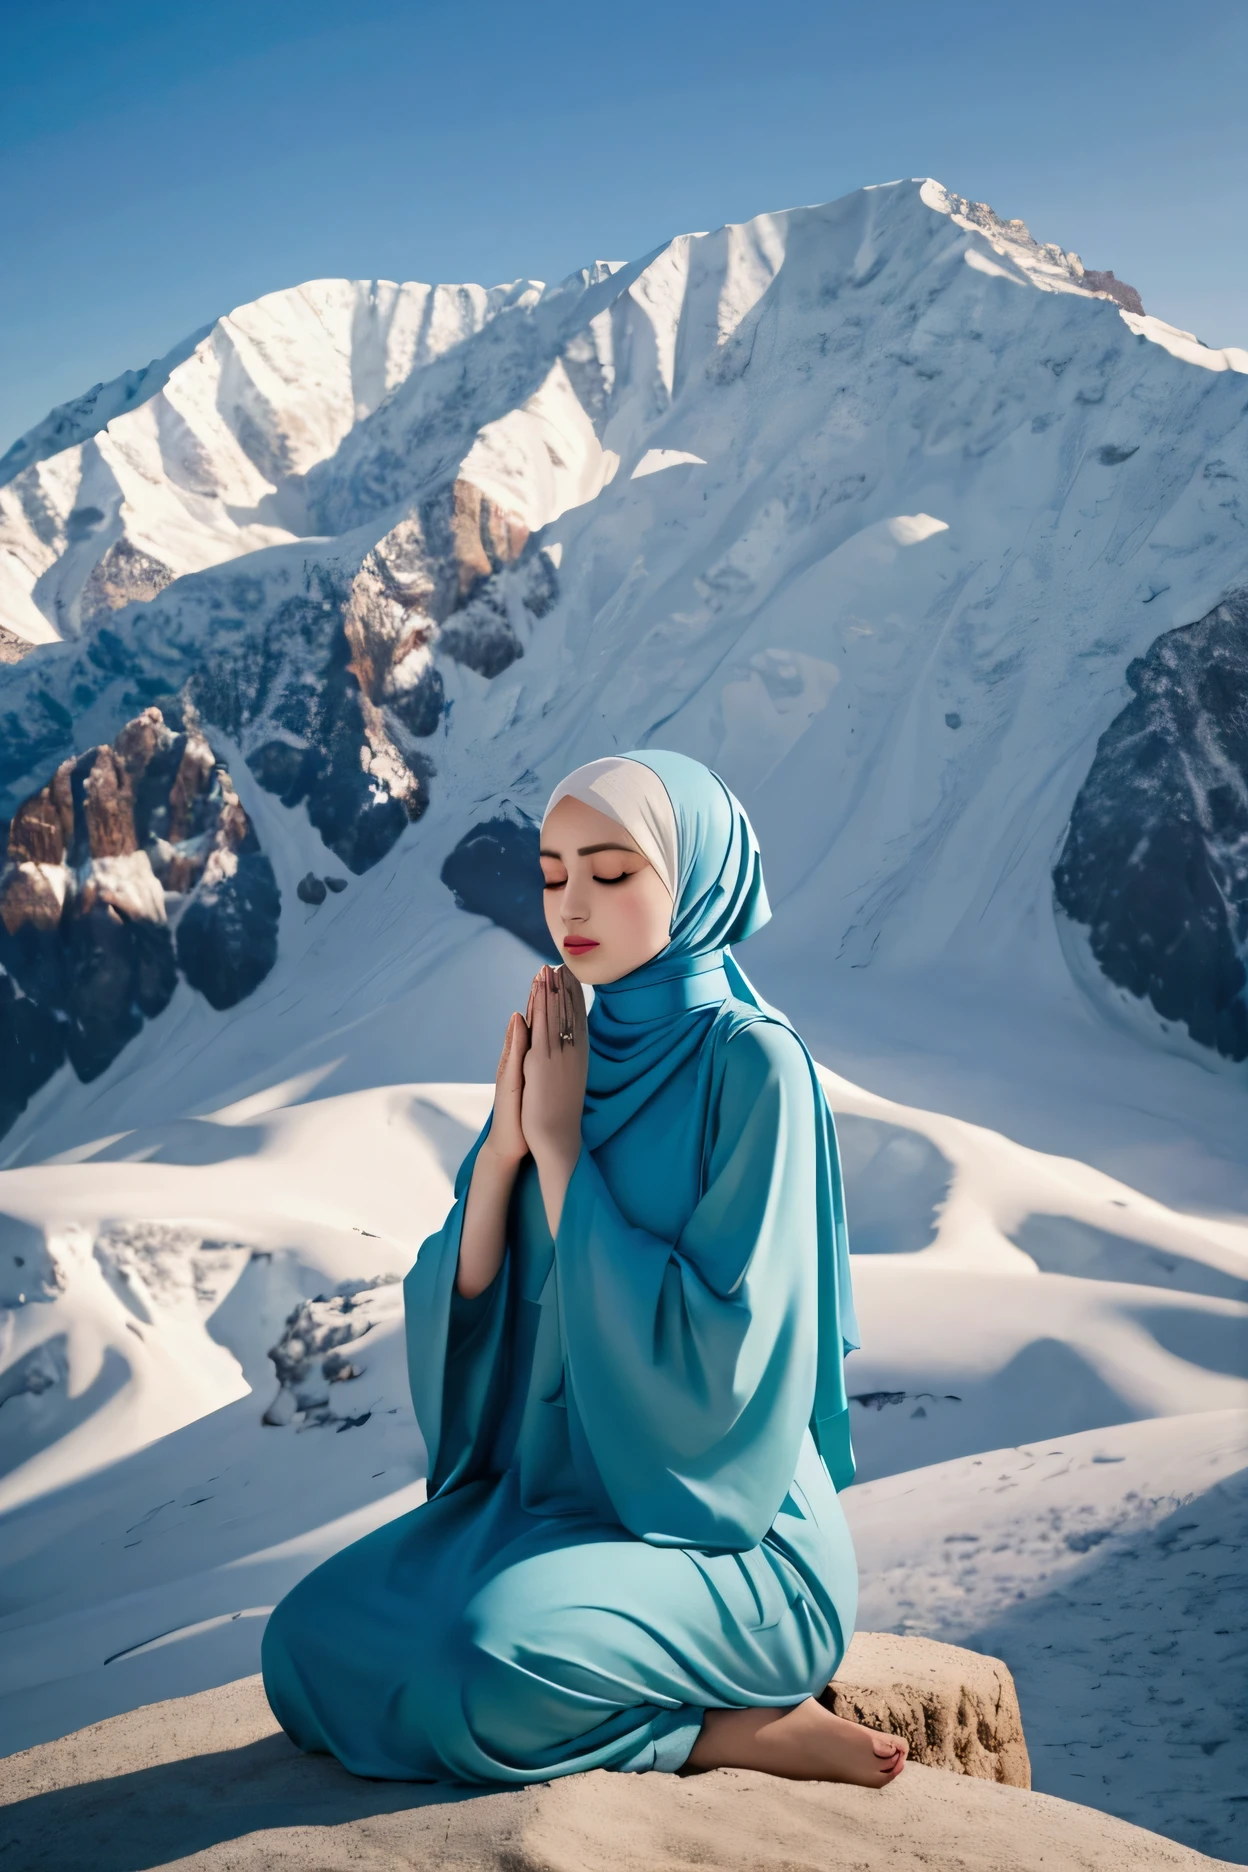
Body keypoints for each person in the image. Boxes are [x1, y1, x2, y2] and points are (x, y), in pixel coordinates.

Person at [261, 750, 907, 1788]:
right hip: (552, 1504)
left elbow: (727, 1364)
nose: (573, 904)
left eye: (612, 873)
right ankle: (673, 1710)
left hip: (728, 1540)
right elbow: (461, 1297)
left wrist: (561, 1155)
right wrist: (508, 1156)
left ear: (694, 882)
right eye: (555, 873)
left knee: (476, 1664)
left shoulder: (754, 1066)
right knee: (301, 1647)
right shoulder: (568, 1043)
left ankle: (718, 1732)